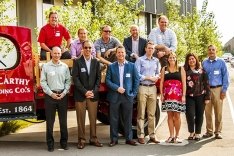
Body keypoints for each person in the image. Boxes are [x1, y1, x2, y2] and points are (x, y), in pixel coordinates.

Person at [105, 45, 140, 147]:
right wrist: (117, 88)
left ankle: (129, 139)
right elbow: (108, 80)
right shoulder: (111, 66)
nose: (121, 54)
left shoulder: (132, 66)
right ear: (116, 54)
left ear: (125, 54)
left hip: (127, 97)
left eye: (122, 52)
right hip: (114, 96)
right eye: (119, 52)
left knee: (128, 119)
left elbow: (136, 80)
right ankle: (114, 139)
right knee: (114, 119)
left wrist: (133, 94)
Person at [72, 40, 102, 149]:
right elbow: (75, 79)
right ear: (82, 49)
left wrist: (93, 91)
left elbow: (98, 78)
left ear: (92, 49)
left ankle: (93, 138)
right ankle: (81, 140)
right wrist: (85, 91)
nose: (88, 49)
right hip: (81, 95)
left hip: (93, 95)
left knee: (93, 118)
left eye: (90, 48)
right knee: (81, 118)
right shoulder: (77, 62)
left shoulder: (96, 62)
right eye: (86, 48)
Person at [40, 46, 71, 152]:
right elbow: (43, 82)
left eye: (58, 53)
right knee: (50, 122)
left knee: (63, 122)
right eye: (55, 53)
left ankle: (64, 143)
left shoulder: (65, 67)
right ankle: (50, 144)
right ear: (51, 54)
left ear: (61, 54)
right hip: (50, 97)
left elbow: (68, 81)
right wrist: (50, 93)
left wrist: (64, 92)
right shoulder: (46, 66)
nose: (57, 55)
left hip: (62, 96)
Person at [135, 41, 160, 144]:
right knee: (141, 113)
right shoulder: (140, 60)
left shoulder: (156, 61)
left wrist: (156, 77)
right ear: (145, 49)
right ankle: (140, 135)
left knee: (151, 113)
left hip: (153, 88)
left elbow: (158, 73)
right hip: (142, 87)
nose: (150, 50)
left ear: (154, 50)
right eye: (149, 48)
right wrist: (148, 77)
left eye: (152, 48)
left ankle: (152, 135)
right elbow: (137, 74)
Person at [202, 45, 230, 139]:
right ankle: (209, 131)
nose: (211, 51)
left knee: (218, 112)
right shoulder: (204, 62)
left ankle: (218, 131)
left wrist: (224, 90)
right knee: (207, 112)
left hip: (218, 89)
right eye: (209, 50)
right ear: (207, 51)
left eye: (213, 50)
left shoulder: (221, 62)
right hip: (207, 90)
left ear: (216, 51)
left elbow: (225, 76)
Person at [160, 52, 186, 143]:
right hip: (167, 96)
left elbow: (184, 82)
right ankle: (171, 135)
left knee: (177, 115)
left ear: (176, 59)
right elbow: (162, 82)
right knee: (169, 116)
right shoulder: (164, 69)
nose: (172, 59)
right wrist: (162, 94)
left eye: (173, 57)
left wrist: (183, 95)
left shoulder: (180, 68)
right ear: (168, 59)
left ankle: (177, 136)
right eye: (170, 57)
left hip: (178, 96)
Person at [184, 53, 210, 141]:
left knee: (199, 115)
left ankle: (198, 133)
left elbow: (206, 84)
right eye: (189, 59)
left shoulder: (202, 71)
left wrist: (207, 97)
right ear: (187, 61)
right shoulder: (184, 71)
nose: (191, 60)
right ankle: (191, 132)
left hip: (200, 96)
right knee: (190, 114)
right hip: (189, 96)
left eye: (193, 59)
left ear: (196, 59)